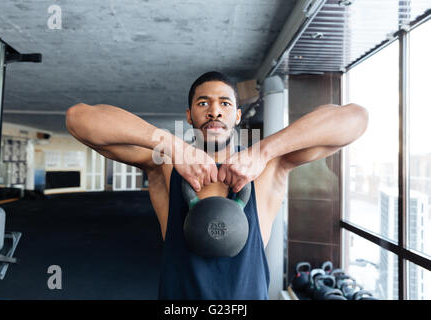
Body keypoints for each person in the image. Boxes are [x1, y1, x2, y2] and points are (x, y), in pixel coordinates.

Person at [65, 71, 368, 299]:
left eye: (224, 103)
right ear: (190, 115)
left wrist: (263, 150)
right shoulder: (164, 165)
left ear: (237, 115)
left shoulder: (267, 167)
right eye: (203, 103)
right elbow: (78, 118)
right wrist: (173, 146)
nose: (214, 111)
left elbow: (355, 118)